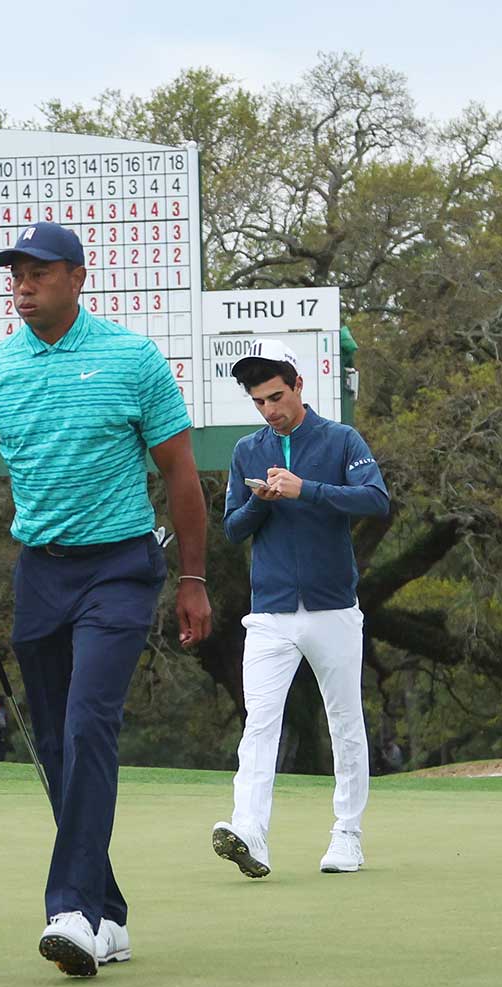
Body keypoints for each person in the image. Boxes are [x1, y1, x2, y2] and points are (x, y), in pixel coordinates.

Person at [0, 221, 213, 978]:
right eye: (15, 275)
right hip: (41, 574)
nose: (22, 287)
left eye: (37, 273)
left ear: (77, 276)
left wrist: (193, 578)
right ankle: (110, 912)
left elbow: (182, 477)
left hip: (122, 566)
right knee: (59, 744)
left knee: (90, 724)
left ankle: (70, 908)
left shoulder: (132, 360)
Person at [213, 340, 390, 878]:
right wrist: (258, 503)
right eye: (259, 402)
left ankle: (347, 834)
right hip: (269, 611)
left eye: (276, 396)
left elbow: (376, 501)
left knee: (345, 723)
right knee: (260, 724)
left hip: (333, 607)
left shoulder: (340, 439)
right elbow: (231, 528)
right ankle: (250, 832)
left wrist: (305, 490)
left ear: (298, 386)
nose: (270, 410)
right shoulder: (248, 449)